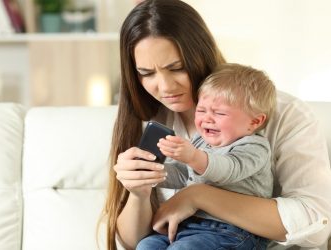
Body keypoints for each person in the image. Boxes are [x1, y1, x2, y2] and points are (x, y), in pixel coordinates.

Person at [100, 0, 331, 250]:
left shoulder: (282, 113)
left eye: (177, 68)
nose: (165, 87)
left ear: (201, 54)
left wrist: (199, 196)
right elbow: (134, 243)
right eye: (146, 73)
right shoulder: (152, 120)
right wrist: (139, 192)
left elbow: (316, 225)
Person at [136, 63, 276, 249]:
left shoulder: (255, 146)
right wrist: (154, 171)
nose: (207, 118)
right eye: (201, 110)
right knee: (147, 245)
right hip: (190, 224)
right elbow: (185, 175)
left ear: (254, 121)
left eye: (219, 113)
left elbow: (229, 169)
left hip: (235, 231)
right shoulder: (200, 141)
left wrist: (193, 156)